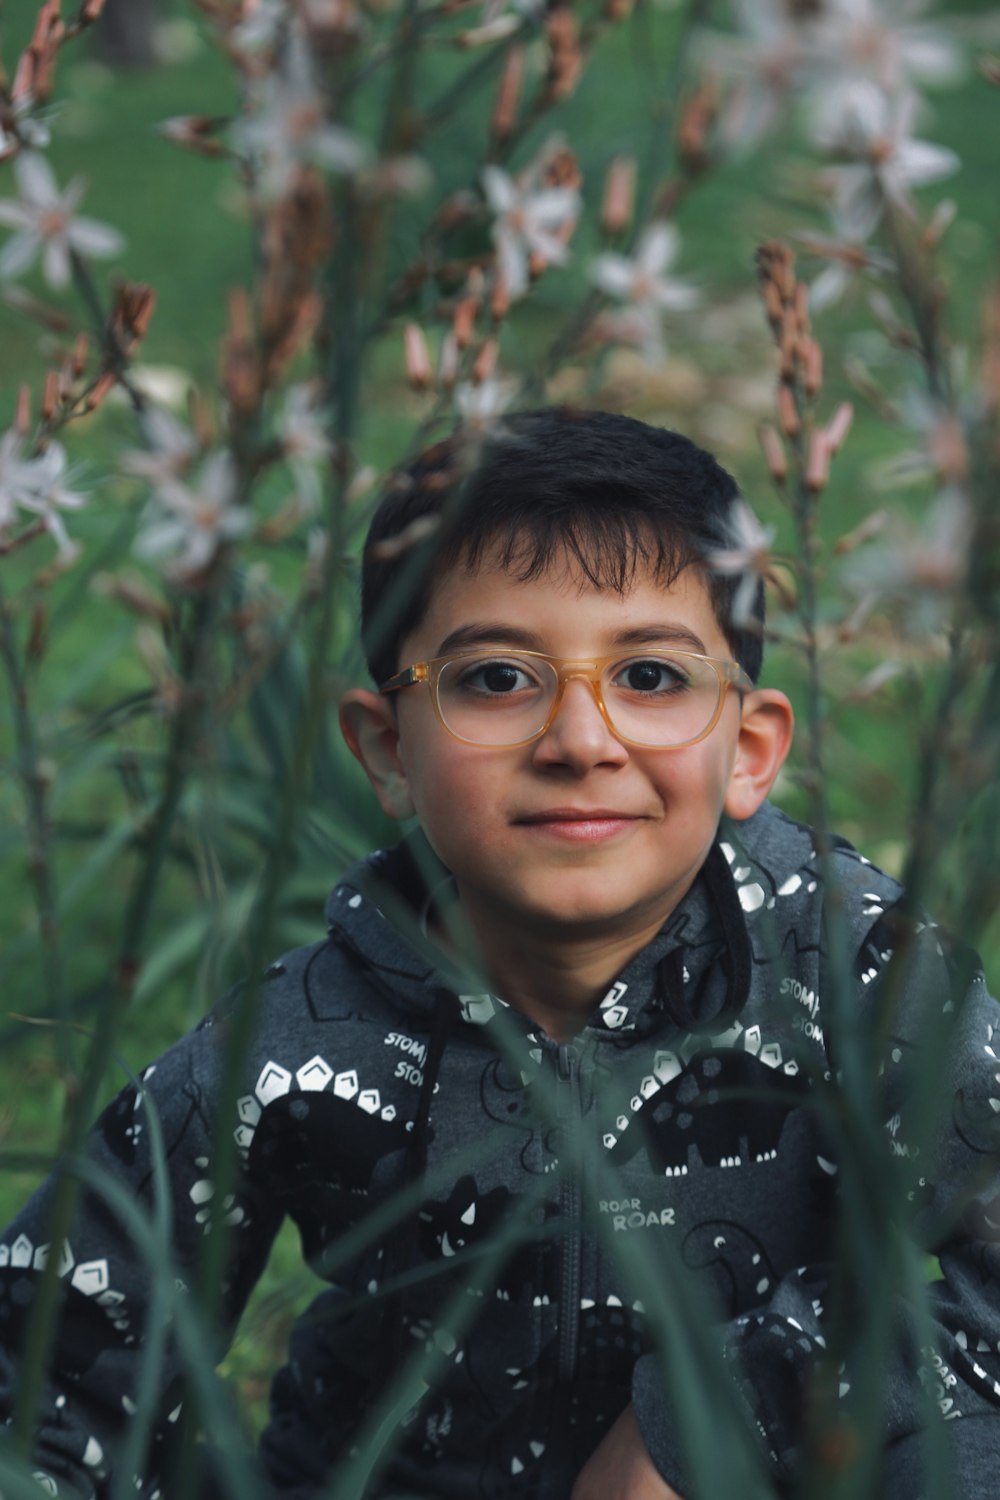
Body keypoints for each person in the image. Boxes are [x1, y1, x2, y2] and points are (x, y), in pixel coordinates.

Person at [0, 407, 997, 1499]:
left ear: (750, 747)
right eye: (495, 680)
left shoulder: (849, 965)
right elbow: (46, 1382)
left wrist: (721, 1412)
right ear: (387, 751)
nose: (579, 741)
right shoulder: (285, 1049)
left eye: (652, 678)